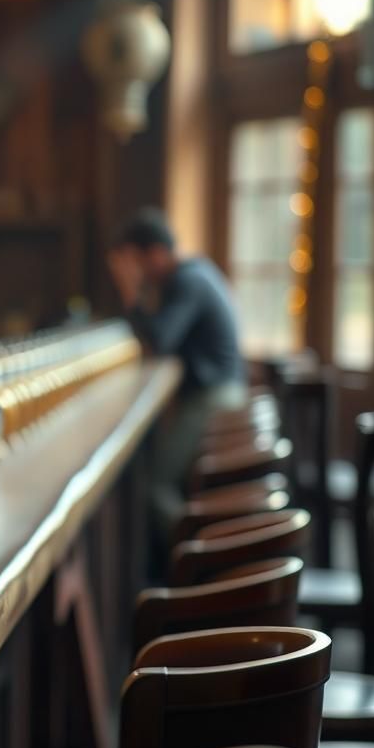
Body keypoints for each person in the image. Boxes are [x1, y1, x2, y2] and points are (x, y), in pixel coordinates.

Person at [108, 207, 246, 554]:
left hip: (215, 397)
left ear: (154, 253)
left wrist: (130, 292)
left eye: (134, 262)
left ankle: (204, 562)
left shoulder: (188, 280)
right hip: (221, 392)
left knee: (156, 487)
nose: (135, 272)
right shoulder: (194, 273)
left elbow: (158, 341)